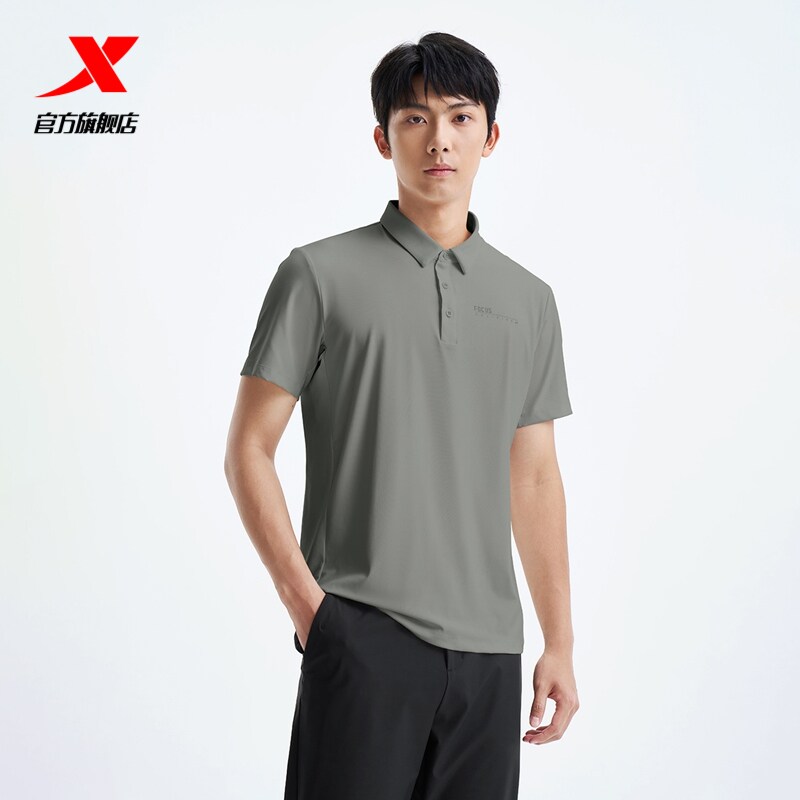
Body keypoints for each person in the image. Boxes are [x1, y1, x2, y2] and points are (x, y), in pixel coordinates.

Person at [224, 31, 579, 800]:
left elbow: (534, 477)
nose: (439, 140)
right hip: (362, 635)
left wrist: (559, 641)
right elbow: (248, 448)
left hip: (491, 655)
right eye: (415, 119)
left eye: (460, 117)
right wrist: (311, 611)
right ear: (383, 138)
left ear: (491, 136)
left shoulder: (529, 301)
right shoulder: (318, 274)